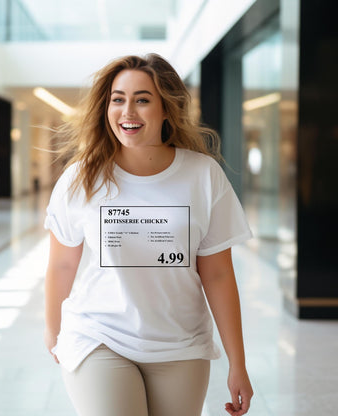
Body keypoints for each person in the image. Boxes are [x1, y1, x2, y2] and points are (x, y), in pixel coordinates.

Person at [44, 53, 253, 416]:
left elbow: (217, 274)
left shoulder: (203, 176)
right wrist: (54, 332)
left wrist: (238, 362)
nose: (128, 112)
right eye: (118, 99)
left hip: (181, 346)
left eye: (142, 99)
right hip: (98, 337)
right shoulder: (82, 178)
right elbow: (62, 264)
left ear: (167, 108)